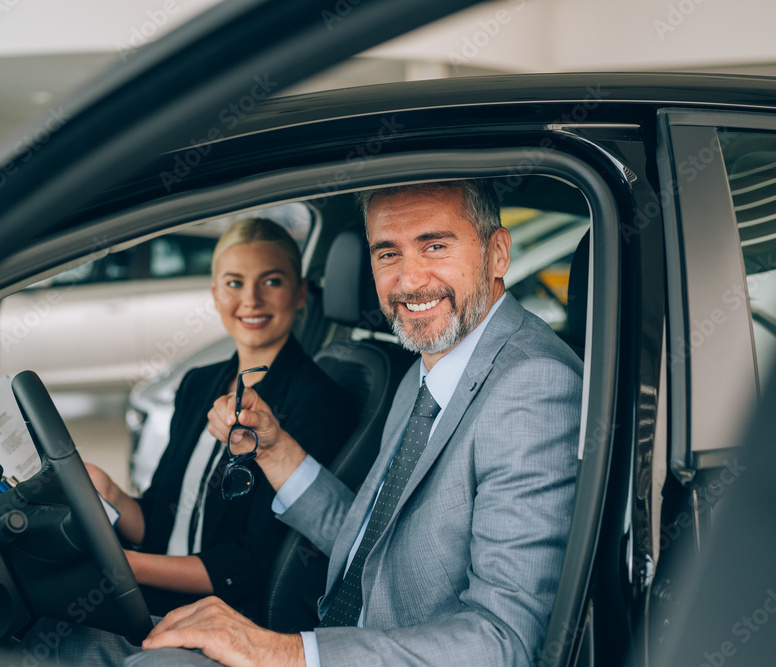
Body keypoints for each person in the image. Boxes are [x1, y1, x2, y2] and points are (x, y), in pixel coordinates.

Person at [125, 180, 584, 666]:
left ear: (497, 253)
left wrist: (283, 653)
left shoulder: (534, 386)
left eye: (435, 246)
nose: (409, 281)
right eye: (388, 254)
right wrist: (274, 450)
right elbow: (371, 538)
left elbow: (504, 642)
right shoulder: (426, 367)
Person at [84, 217, 357, 622]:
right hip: (157, 593)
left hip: (225, 617)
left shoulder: (318, 400)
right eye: (234, 283)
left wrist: (129, 567)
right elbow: (163, 520)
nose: (250, 300)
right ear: (214, 294)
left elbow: (253, 564)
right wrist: (112, 495)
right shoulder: (197, 384)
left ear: (300, 294)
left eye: (272, 281)